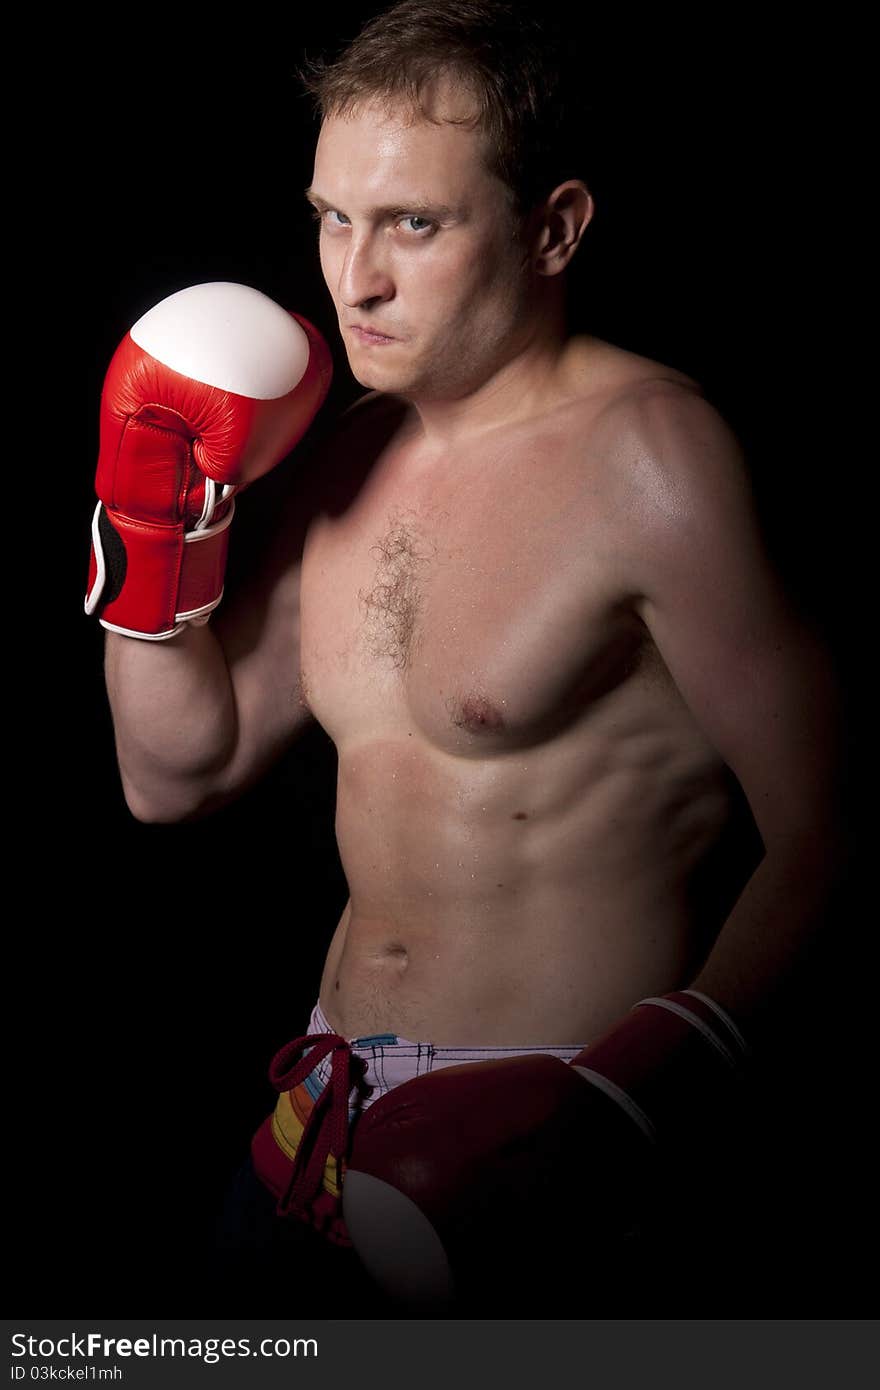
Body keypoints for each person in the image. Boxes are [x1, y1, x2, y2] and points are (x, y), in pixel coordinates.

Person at [86, 1, 850, 1315]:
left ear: (553, 227)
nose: (353, 277)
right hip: (313, 1139)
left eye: (413, 225)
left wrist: (627, 1097)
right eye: (333, 217)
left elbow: (846, 822)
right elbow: (179, 773)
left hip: (556, 1158)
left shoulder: (656, 459)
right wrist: (148, 524)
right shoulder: (341, 453)